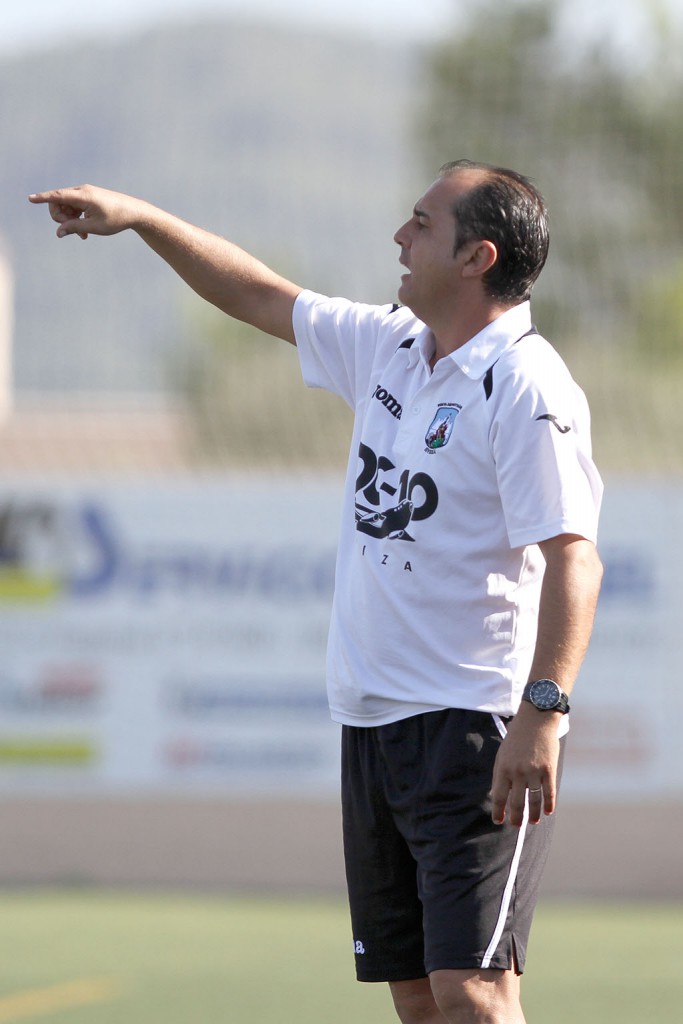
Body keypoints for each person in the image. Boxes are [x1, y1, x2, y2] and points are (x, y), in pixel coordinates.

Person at [29, 159, 603, 1024]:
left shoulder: (524, 385)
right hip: (371, 722)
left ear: (476, 257)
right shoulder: (389, 344)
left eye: (421, 224)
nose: (400, 238)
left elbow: (574, 561)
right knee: (415, 997)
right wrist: (142, 216)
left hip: (471, 725)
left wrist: (544, 713)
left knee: (476, 996)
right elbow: (257, 294)